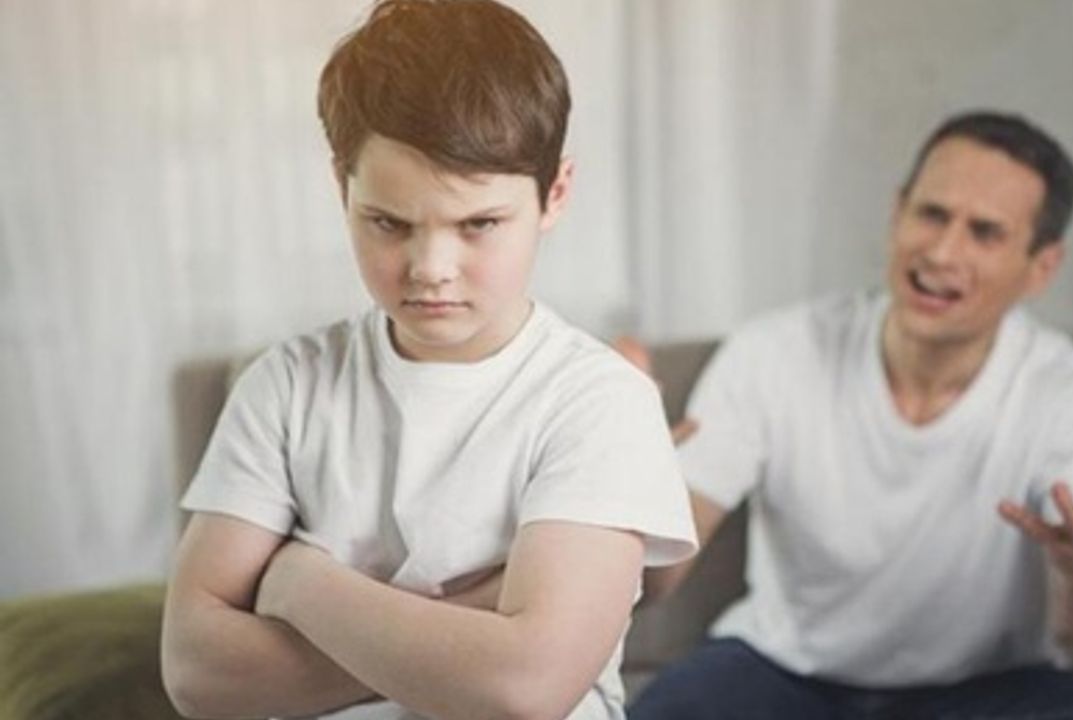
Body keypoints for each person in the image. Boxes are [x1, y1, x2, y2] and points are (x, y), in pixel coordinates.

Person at [159, 2, 697, 719]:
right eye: (389, 222)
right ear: (342, 186)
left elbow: (523, 690)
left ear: (555, 194)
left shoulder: (600, 401)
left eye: (479, 224)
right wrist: (479, 620)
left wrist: (301, 583)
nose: (430, 269)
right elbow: (195, 673)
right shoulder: (284, 387)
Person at [628, 111, 1073, 719]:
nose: (941, 252)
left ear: (1041, 266)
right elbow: (657, 579)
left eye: (984, 233)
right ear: (897, 213)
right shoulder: (773, 352)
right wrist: (622, 500)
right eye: (932, 214)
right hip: (781, 672)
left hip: (983, 692)